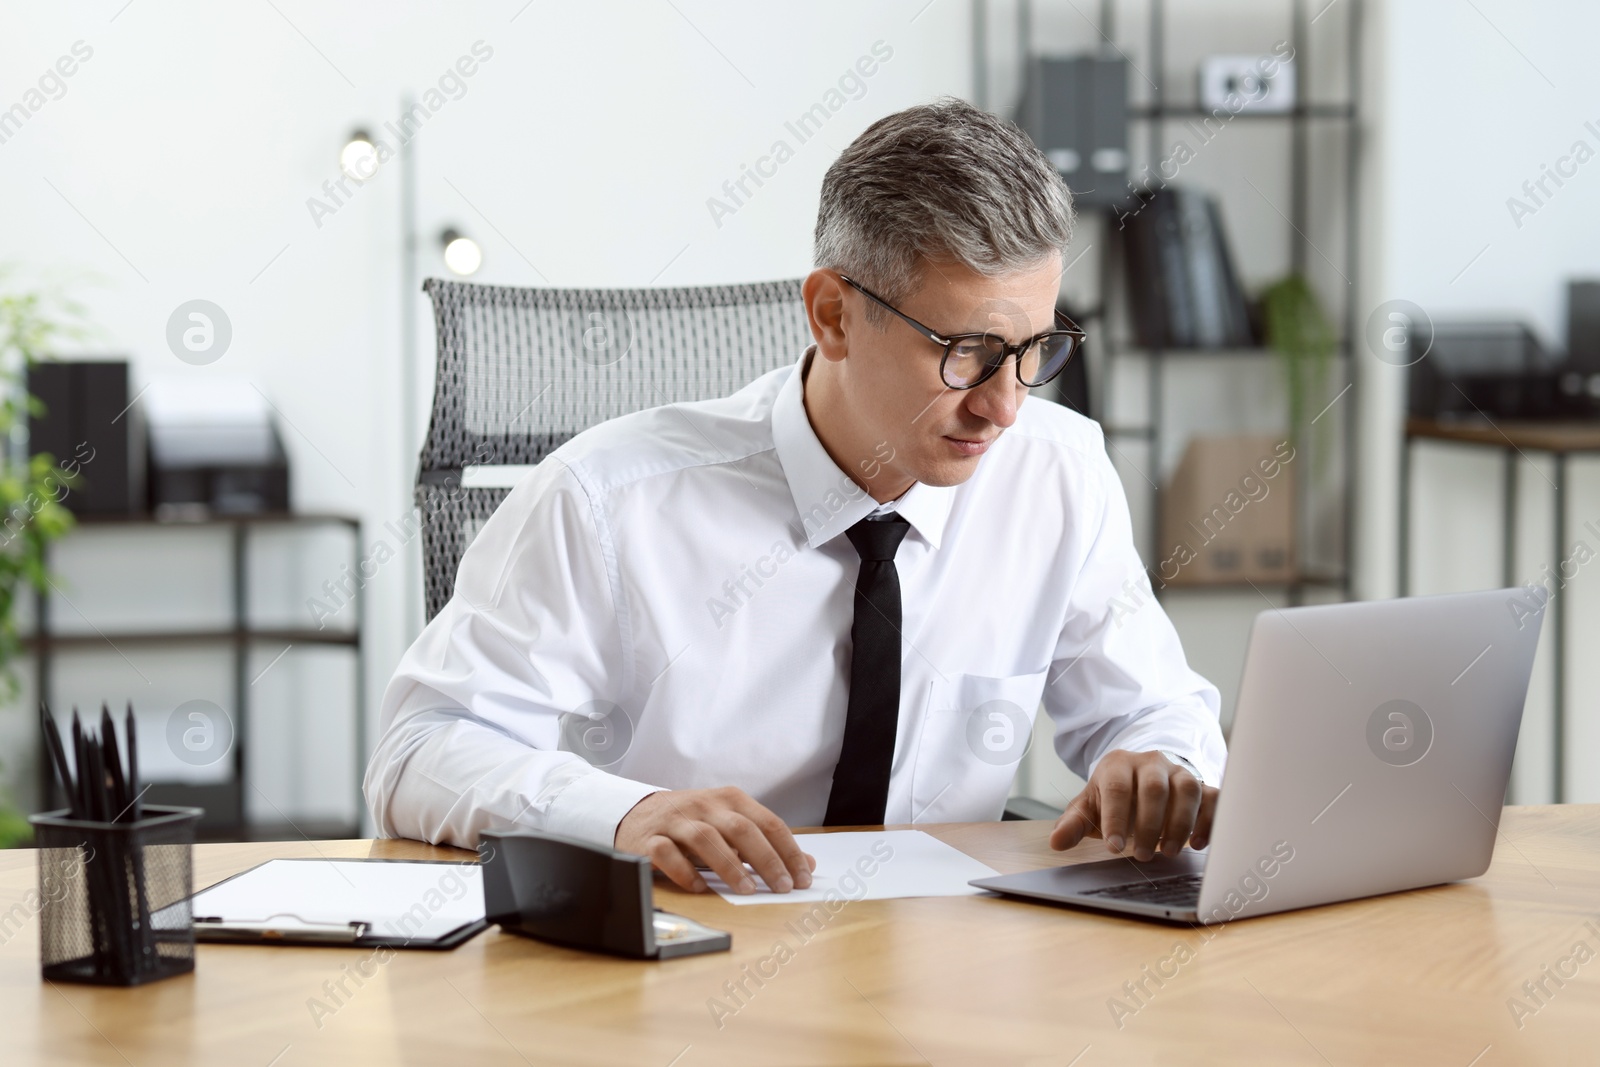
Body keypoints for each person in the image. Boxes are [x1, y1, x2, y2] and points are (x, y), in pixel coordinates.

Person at [365, 97, 1225, 896]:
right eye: (966, 350)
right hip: (693, 955)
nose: (1005, 404)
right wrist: (623, 814)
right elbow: (418, 750)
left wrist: (1154, 761)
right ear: (833, 316)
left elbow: (1154, 709)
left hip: (948, 970)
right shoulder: (605, 501)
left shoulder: (1058, 474)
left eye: (1036, 347)